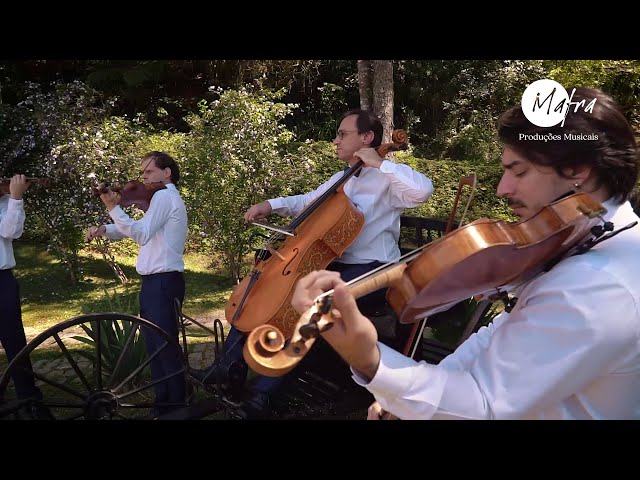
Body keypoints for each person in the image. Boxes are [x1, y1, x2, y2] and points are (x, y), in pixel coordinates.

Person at [291, 87, 640, 420]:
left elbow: (484, 405)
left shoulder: (594, 286)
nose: (503, 189)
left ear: (578, 170)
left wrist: (372, 360)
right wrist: (408, 395)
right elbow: (502, 331)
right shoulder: (584, 240)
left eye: (519, 171)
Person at [207, 108, 434, 418]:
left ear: (366, 138)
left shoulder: (387, 179)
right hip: (338, 267)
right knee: (266, 289)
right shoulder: (343, 177)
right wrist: (269, 204)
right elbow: (307, 201)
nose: (336, 140)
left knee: (311, 304)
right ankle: (227, 370)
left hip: (376, 270)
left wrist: (380, 163)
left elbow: (424, 191)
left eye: (343, 134)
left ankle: (263, 395)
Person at [86, 151, 188, 418]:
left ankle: (176, 405)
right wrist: (105, 229)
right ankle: (165, 401)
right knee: (156, 345)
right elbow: (135, 227)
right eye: (142, 173)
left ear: (167, 173)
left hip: (163, 282)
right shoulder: (159, 199)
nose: (143, 177)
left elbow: (140, 235)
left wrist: (112, 207)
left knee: (163, 346)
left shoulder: (165, 196)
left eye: (149, 172)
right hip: (157, 282)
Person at [0, 174, 52, 419]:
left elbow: (11, 231)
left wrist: (16, 197)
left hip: (1, 280)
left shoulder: (8, 202)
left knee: (14, 342)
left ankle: (29, 400)